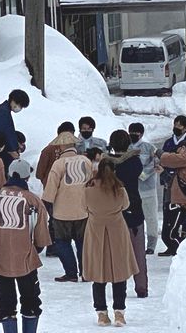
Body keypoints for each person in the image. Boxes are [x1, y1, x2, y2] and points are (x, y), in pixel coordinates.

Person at [0, 159, 51, 333]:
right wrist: (38, 247)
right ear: (26, 176)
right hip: (26, 261)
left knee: (6, 304)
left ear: (9, 174)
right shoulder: (32, 200)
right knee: (31, 301)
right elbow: (41, 234)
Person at [83, 158, 139, 327]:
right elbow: (126, 205)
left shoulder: (88, 190)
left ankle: (101, 314)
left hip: (95, 231)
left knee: (98, 273)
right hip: (117, 231)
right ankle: (119, 313)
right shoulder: (119, 189)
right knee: (119, 273)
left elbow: (83, 208)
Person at [42, 132, 92, 282]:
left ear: (62, 146)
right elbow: (91, 183)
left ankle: (71, 273)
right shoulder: (85, 161)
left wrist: (47, 203)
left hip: (62, 211)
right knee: (82, 241)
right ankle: (86, 272)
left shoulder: (58, 164)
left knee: (62, 242)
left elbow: (51, 188)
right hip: (83, 209)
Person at [107, 130, 148, 298]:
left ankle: (118, 286)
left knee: (116, 253)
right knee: (138, 251)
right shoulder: (135, 162)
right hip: (134, 209)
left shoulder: (107, 164)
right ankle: (141, 287)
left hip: (113, 211)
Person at [35, 121, 76, 257]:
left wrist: (47, 181)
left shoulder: (48, 150)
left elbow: (39, 173)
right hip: (70, 191)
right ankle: (63, 246)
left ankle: (53, 246)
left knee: (54, 219)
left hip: (51, 191)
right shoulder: (75, 152)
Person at [156, 140, 186, 256]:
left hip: (180, 201)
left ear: (183, 148)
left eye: (179, 151)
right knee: (171, 231)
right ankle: (173, 250)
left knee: (169, 233)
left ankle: (183, 254)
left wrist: (159, 153)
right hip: (181, 199)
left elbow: (170, 160)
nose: (178, 154)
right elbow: (177, 180)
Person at [159, 116, 186, 243]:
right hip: (169, 181)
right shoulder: (168, 142)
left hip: (185, 183)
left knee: (185, 211)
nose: (176, 128)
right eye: (175, 125)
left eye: (179, 126)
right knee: (169, 211)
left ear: (185, 128)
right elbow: (162, 160)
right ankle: (170, 239)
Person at [128, 122, 160, 255]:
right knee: (132, 218)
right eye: (131, 132)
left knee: (151, 217)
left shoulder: (149, 148)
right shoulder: (126, 148)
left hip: (148, 189)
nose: (133, 135)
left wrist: (140, 174)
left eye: (136, 133)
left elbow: (155, 164)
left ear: (141, 134)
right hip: (131, 190)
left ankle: (151, 244)